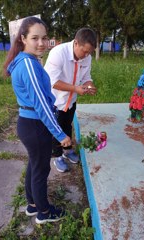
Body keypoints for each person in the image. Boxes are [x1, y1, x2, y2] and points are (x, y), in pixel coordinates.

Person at [3, 16, 71, 224]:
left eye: (44, 38)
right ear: (23, 38)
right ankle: (44, 212)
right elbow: (41, 104)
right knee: (41, 170)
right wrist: (60, 134)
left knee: (34, 165)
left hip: (29, 123)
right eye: (35, 38)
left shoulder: (24, 61)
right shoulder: (29, 65)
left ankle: (33, 205)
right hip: (34, 125)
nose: (41, 43)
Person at [44, 27, 97, 172]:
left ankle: (67, 151)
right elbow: (52, 82)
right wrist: (75, 88)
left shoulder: (87, 57)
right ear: (75, 43)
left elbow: (86, 77)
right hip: (55, 101)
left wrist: (90, 85)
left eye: (89, 52)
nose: (86, 55)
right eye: (84, 51)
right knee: (57, 129)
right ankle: (57, 156)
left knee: (67, 125)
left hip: (71, 100)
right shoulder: (58, 53)